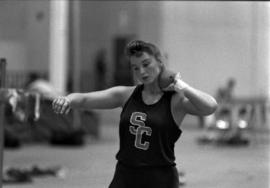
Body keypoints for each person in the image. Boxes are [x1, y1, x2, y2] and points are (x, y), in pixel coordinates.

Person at [52, 40, 218, 188]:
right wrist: (67, 100)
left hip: (161, 179)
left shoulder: (176, 101)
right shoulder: (126, 95)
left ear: (160, 62)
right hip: (125, 176)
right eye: (136, 68)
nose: (142, 72)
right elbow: (84, 99)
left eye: (146, 64)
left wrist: (181, 85)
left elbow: (210, 106)